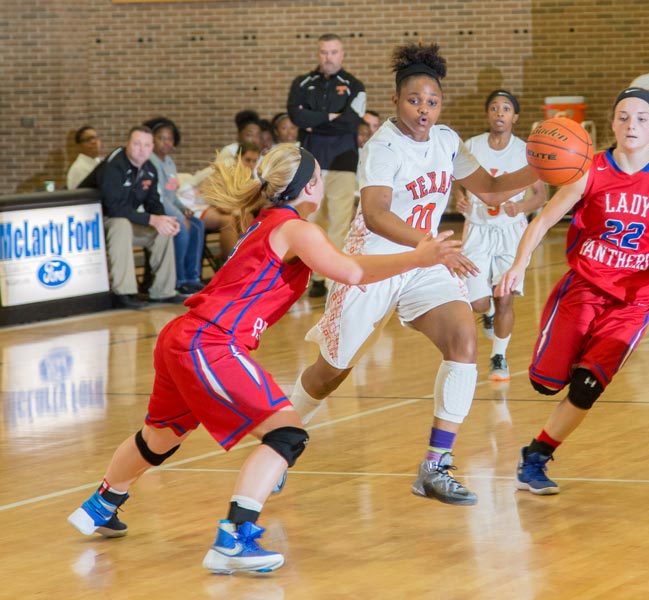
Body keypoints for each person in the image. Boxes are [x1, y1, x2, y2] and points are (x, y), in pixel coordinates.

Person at [67, 142, 464, 574]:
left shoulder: (267, 221)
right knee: (287, 436)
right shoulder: (296, 229)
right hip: (210, 342)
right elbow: (351, 273)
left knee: (160, 436)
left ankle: (101, 504)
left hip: (183, 337)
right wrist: (419, 258)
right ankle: (233, 540)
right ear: (308, 184)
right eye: (318, 176)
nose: (322, 182)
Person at [291, 42, 538, 506]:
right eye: (414, 101)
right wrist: (427, 247)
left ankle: (435, 466)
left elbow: (489, 188)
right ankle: (278, 438)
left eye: (432, 102)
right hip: (373, 265)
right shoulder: (383, 147)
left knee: (464, 341)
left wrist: (538, 167)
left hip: (426, 261)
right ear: (396, 102)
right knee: (330, 374)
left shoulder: (446, 140)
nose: (424, 110)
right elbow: (377, 212)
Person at [497, 88, 649, 495]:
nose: (631, 125)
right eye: (623, 117)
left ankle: (536, 456)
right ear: (613, 123)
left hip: (634, 300)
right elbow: (543, 222)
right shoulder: (589, 170)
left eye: (640, 118)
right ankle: (556, 369)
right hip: (584, 287)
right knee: (546, 383)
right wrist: (519, 264)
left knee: (588, 386)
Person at [452, 90, 547, 380]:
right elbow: (456, 179)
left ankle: (499, 357)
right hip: (477, 229)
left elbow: (541, 196)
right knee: (479, 302)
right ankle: (487, 313)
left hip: (510, 232)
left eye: (506, 109)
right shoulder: (471, 146)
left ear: (515, 117)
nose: (499, 113)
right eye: (494, 108)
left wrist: (520, 206)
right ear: (487, 114)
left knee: (505, 296)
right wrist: (459, 197)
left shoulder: (525, 151)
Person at [288, 33, 367, 298]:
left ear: (342, 54)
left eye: (333, 52)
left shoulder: (355, 85)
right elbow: (296, 115)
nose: (328, 57)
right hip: (312, 161)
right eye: (324, 52)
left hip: (343, 161)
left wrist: (316, 121)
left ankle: (335, 277)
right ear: (318, 53)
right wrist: (331, 116)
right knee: (313, 221)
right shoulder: (302, 83)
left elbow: (351, 122)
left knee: (339, 220)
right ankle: (317, 277)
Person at [79, 126, 183, 309]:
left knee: (162, 230)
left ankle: (162, 292)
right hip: (92, 223)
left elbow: (153, 202)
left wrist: (164, 220)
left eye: (146, 145)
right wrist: (152, 220)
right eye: (136, 144)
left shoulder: (149, 169)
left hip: (124, 219)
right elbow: (113, 207)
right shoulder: (114, 165)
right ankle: (123, 292)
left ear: (152, 147)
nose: (141, 149)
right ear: (127, 144)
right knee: (121, 224)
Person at [146, 117, 205, 294]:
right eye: (161, 138)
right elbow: (160, 197)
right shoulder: (150, 161)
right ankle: (178, 279)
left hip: (170, 206)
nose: (166, 142)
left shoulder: (169, 162)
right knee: (180, 227)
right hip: (156, 210)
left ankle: (192, 277)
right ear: (153, 140)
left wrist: (182, 208)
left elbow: (171, 194)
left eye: (169, 139)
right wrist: (179, 216)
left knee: (197, 224)